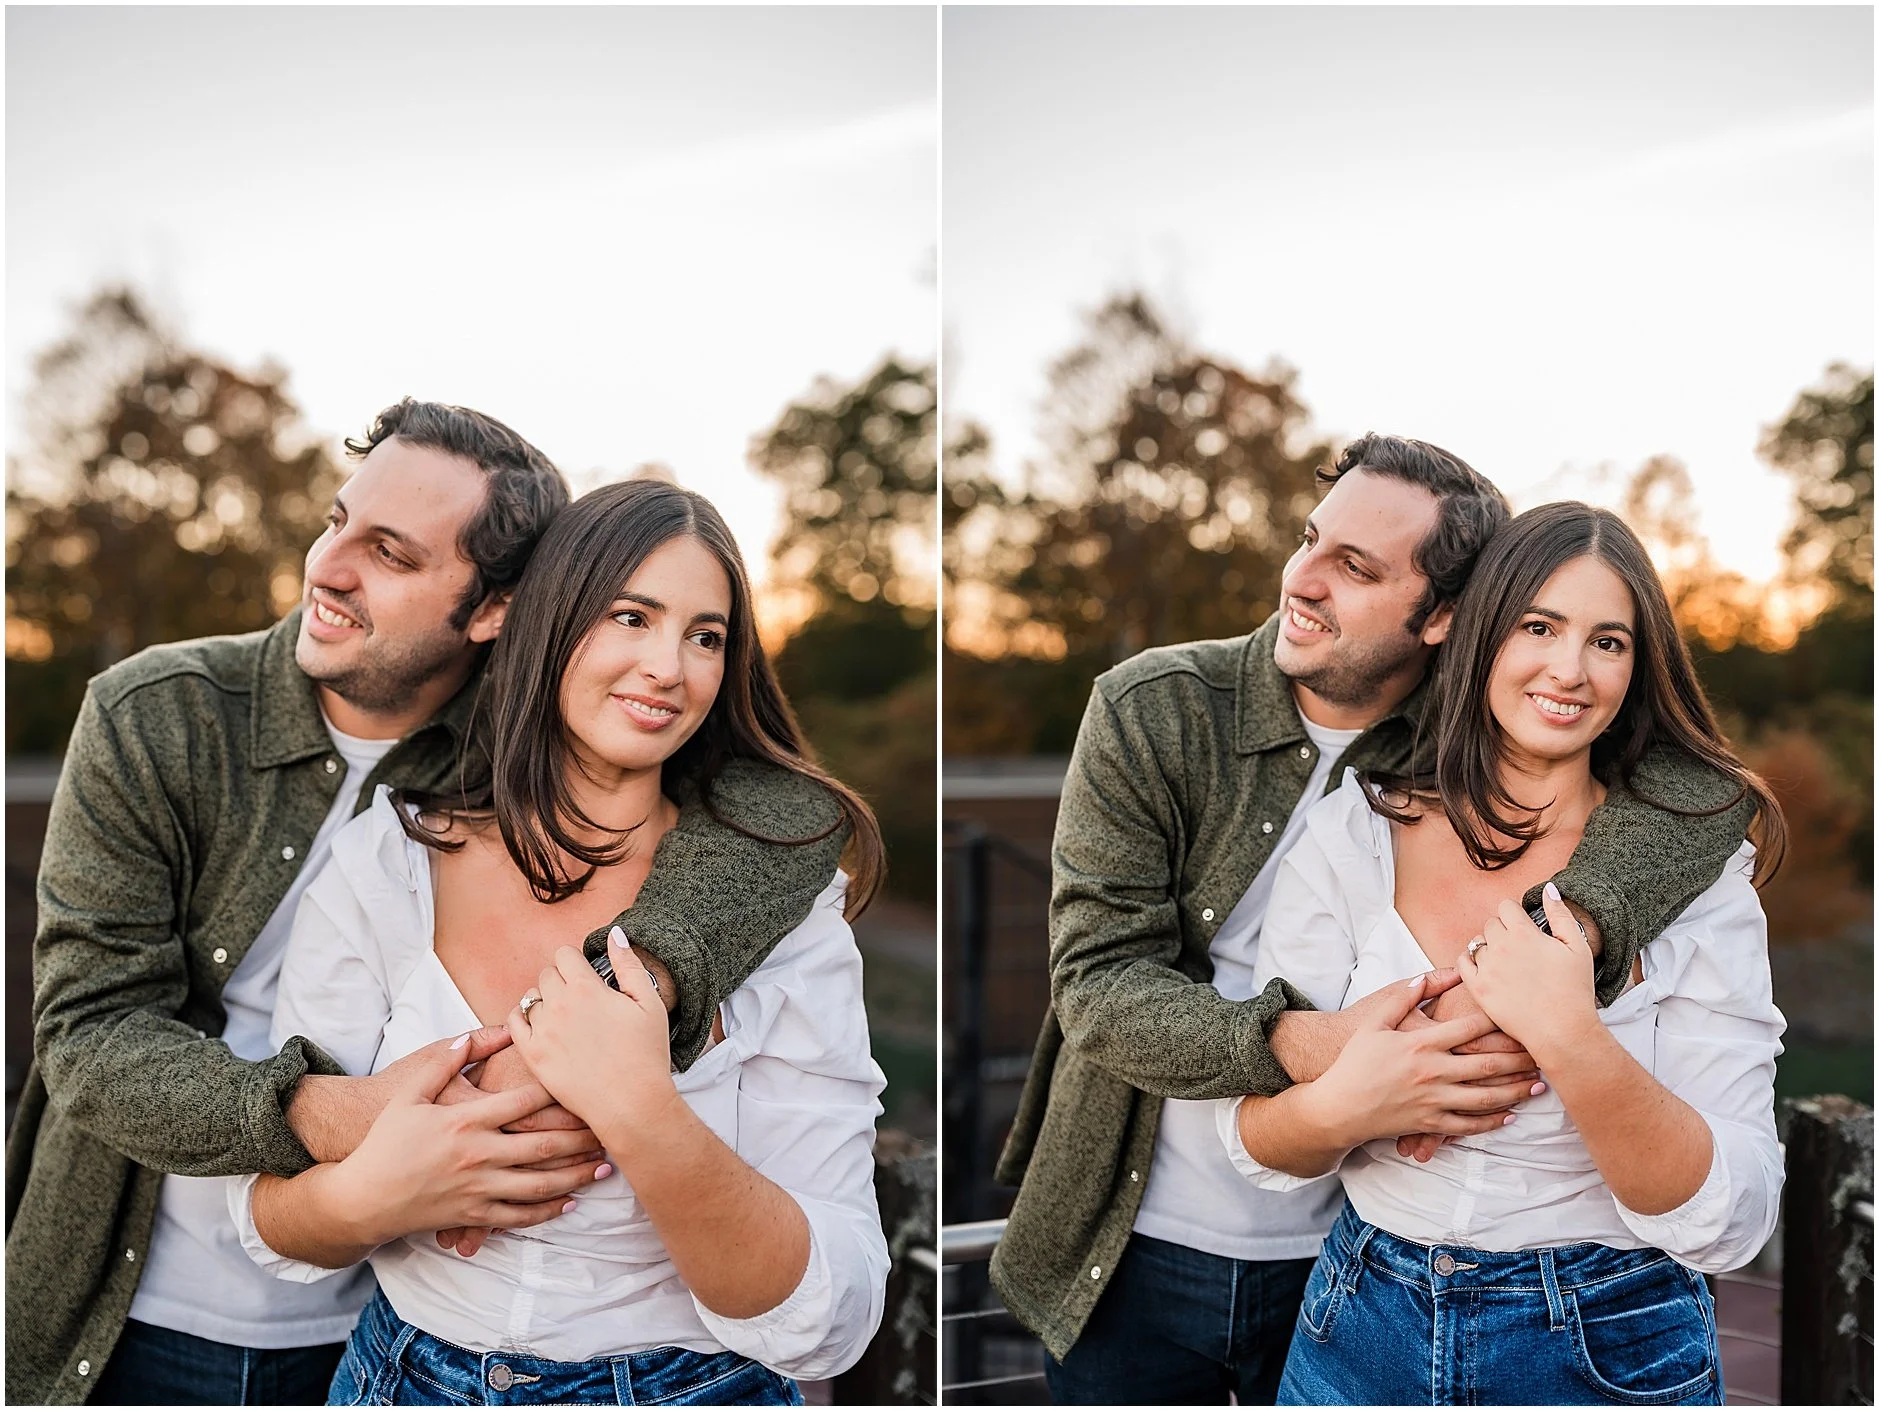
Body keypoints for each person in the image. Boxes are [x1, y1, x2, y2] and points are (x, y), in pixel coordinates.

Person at [6, 401, 851, 1406]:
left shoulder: (529, 744)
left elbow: (771, 800)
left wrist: (637, 994)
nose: (328, 566)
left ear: (497, 611)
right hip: (150, 1304)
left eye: (392, 555)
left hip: (394, 1320)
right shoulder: (162, 715)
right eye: (335, 523)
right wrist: (343, 1120)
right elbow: (89, 1030)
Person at [988, 436, 1760, 1404]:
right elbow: (1097, 983)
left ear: (1444, 619)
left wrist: (1571, 949)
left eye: (1354, 567)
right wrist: (1330, 1052)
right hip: (1136, 1241)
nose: (1299, 580)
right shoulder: (1156, 710)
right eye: (1310, 539)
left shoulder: (1487, 725)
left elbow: (1691, 786)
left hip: (1339, 1261)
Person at [228, 477, 888, 1405]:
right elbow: (265, 1212)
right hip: (401, 1375)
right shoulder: (390, 858)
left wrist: (640, 1113)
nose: (669, 665)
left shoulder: (780, 896)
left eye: (706, 635)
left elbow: (835, 1311)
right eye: (631, 616)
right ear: (545, 622)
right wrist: (381, 1193)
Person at [1225, 501, 1786, 1405]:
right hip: (1355, 1327)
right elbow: (1252, 1139)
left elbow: (1735, 1218)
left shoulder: (1695, 870)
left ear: (1638, 665)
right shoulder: (1352, 832)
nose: (1569, 668)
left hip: (1606, 1339)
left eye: (1608, 641)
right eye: (1538, 626)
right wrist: (1353, 1100)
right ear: (1481, 632)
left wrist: (1568, 1037)